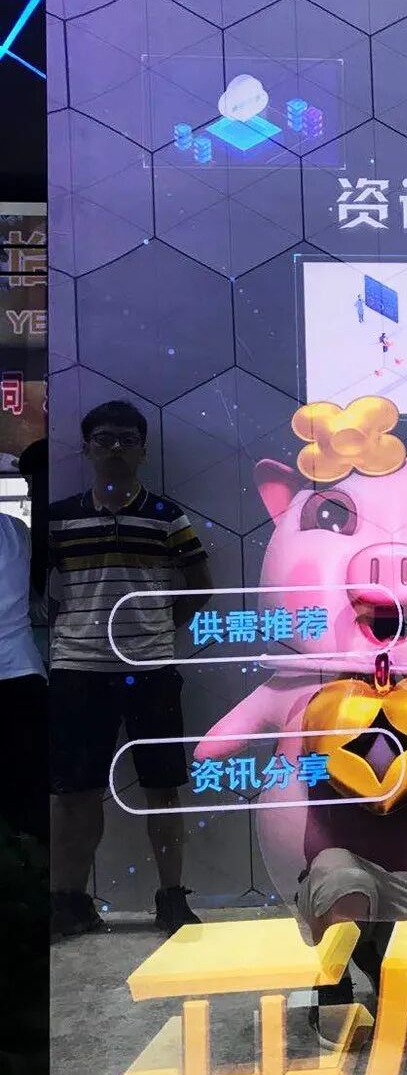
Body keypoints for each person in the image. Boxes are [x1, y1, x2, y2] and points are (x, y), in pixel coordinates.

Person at [48, 401, 213, 939]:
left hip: (150, 670)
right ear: (86, 448)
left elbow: (201, 587)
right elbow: (35, 592)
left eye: (126, 439)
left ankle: (171, 898)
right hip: (77, 670)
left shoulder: (167, 517)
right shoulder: (58, 518)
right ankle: (68, 901)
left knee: (163, 788)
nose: (115, 448)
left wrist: (158, 631)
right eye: (103, 439)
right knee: (74, 793)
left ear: (143, 450)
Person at [0, 447, 47, 843]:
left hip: (20, 673)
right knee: (26, 794)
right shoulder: (17, 531)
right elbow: (38, 601)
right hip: (24, 672)